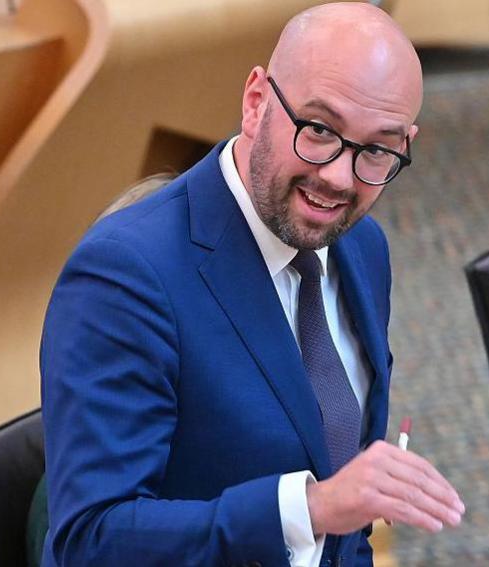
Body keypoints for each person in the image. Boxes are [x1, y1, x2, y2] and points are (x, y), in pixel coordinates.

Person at [39, 3, 464, 566]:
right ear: (256, 102)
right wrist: (307, 509)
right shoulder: (125, 275)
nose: (338, 177)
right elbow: (91, 543)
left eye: (377, 150)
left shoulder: (363, 250)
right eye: (318, 130)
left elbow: (346, 530)